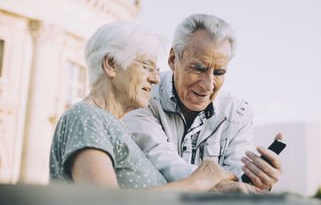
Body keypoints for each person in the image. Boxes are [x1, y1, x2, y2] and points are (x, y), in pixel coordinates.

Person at [49, 21, 237, 191]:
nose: (155, 79)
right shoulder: (86, 115)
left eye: (156, 70)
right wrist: (201, 180)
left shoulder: (117, 128)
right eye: (147, 67)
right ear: (111, 64)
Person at [122, 14, 283, 192]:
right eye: (198, 69)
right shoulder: (142, 97)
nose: (208, 85)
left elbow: (238, 175)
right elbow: (162, 161)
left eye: (219, 72)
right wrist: (222, 186)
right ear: (173, 59)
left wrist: (258, 180)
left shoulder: (237, 112)